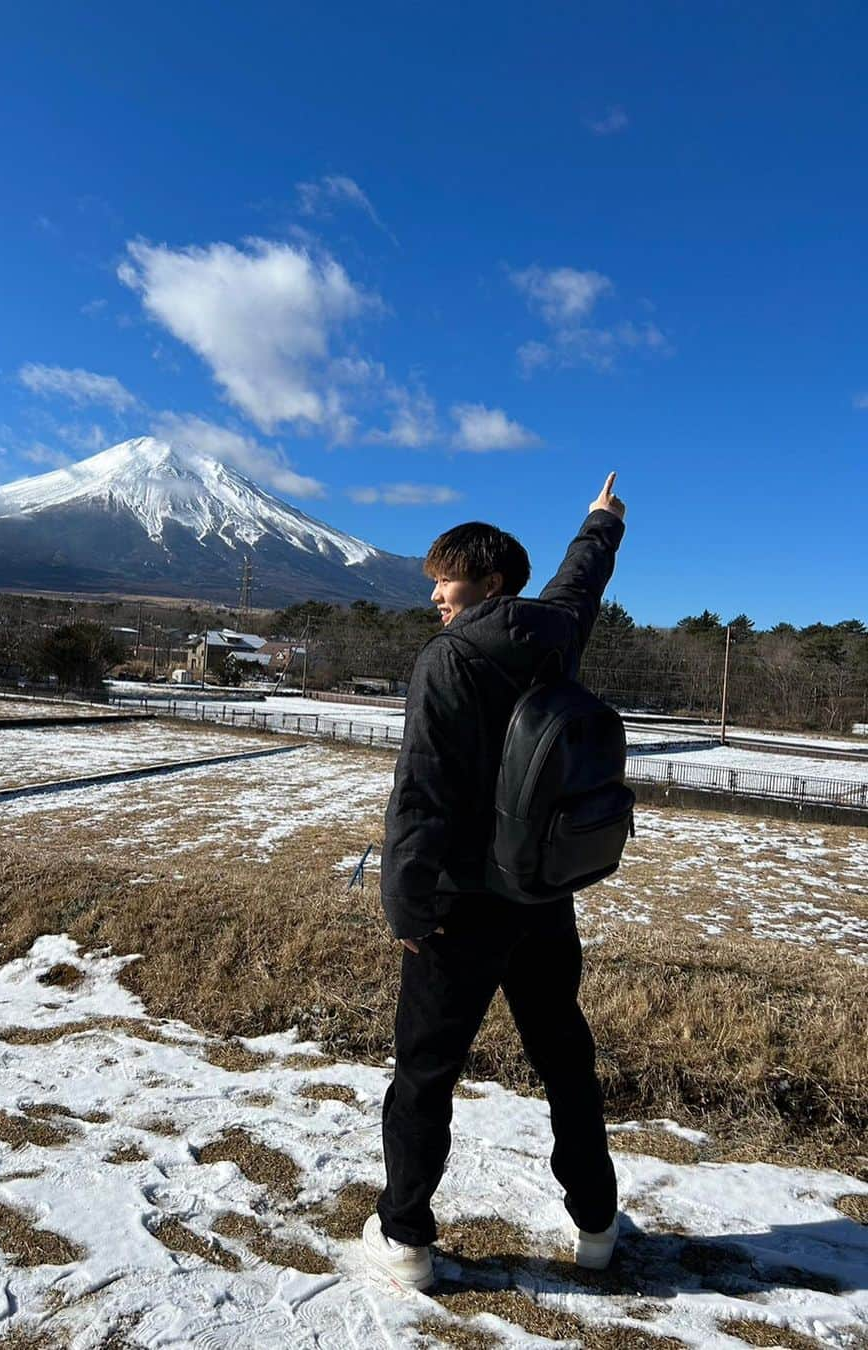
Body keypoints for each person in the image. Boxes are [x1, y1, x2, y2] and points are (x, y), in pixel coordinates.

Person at [363, 472, 627, 1293]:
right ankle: (596, 1223)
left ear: (491, 583)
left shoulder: (446, 661)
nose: (436, 593)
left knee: (426, 1071)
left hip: (459, 910)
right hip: (543, 899)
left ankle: (405, 1237)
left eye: (447, 578)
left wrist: (405, 903)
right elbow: (582, 578)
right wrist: (601, 520)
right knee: (564, 1060)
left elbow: (421, 793)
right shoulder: (555, 632)